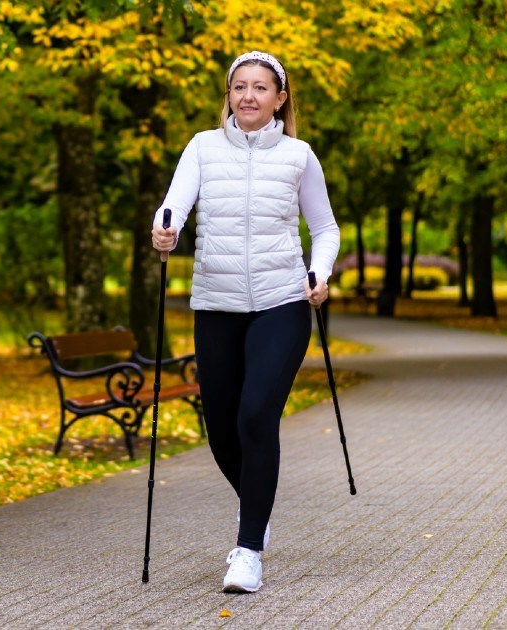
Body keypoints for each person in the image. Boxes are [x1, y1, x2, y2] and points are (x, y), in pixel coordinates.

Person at [150, 50, 340, 593]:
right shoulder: (203, 148)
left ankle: (248, 547)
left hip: (283, 301)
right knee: (222, 434)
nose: (249, 96)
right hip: (217, 304)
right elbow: (172, 209)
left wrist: (318, 271)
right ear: (229, 96)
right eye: (240, 87)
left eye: (260, 88)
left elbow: (325, 229)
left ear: (280, 99)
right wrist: (163, 234)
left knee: (256, 417)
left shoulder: (300, 156)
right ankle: (259, 507)